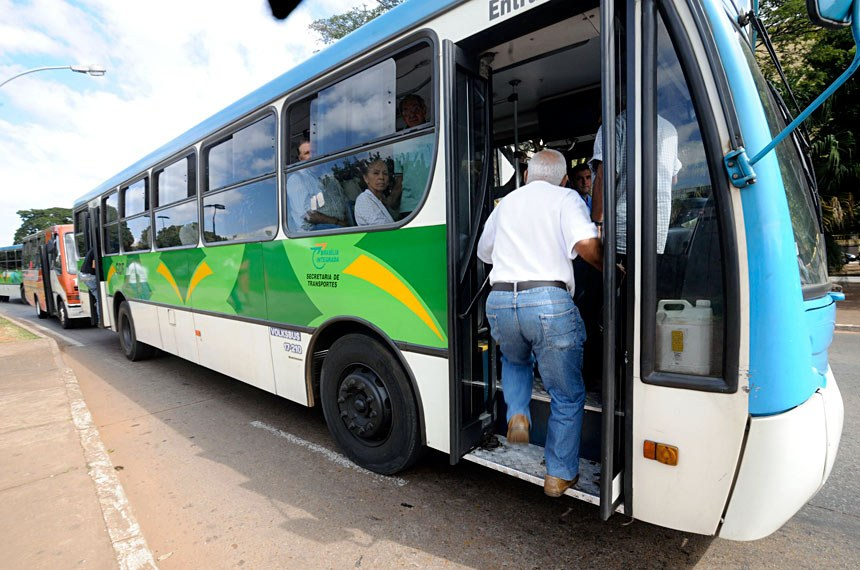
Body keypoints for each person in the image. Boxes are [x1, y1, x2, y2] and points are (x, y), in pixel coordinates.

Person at [477, 149, 603, 498]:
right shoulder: (566, 198)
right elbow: (585, 245)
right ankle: (559, 474)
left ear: (527, 175)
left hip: (500, 301)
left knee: (515, 359)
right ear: (563, 179)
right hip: (547, 301)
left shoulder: (506, 203)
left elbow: (484, 252)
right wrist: (611, 268)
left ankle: (518, 413)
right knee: (566, 393)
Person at [589, 111, 681, 255]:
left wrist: (597, 224)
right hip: (658, 231)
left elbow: (603, 178)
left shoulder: (614, 126)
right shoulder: (670, 130)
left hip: (622, 232)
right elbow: (673, 179)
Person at [287, 139, 351, 231]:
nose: (312, 156)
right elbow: (308, 215)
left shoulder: (331, 178)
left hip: (340, 227)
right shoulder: (297, 179)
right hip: (314, 231)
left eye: (314, 152)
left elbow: (345, 204)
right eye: (307, 153)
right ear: (301, 159)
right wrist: (338, 222)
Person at [354, 158, 402, 226]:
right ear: (366, 178)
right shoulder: (363, 199)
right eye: (376, 173)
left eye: (385, 173)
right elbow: (383, 227)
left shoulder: (381, 199)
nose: (381, 177)